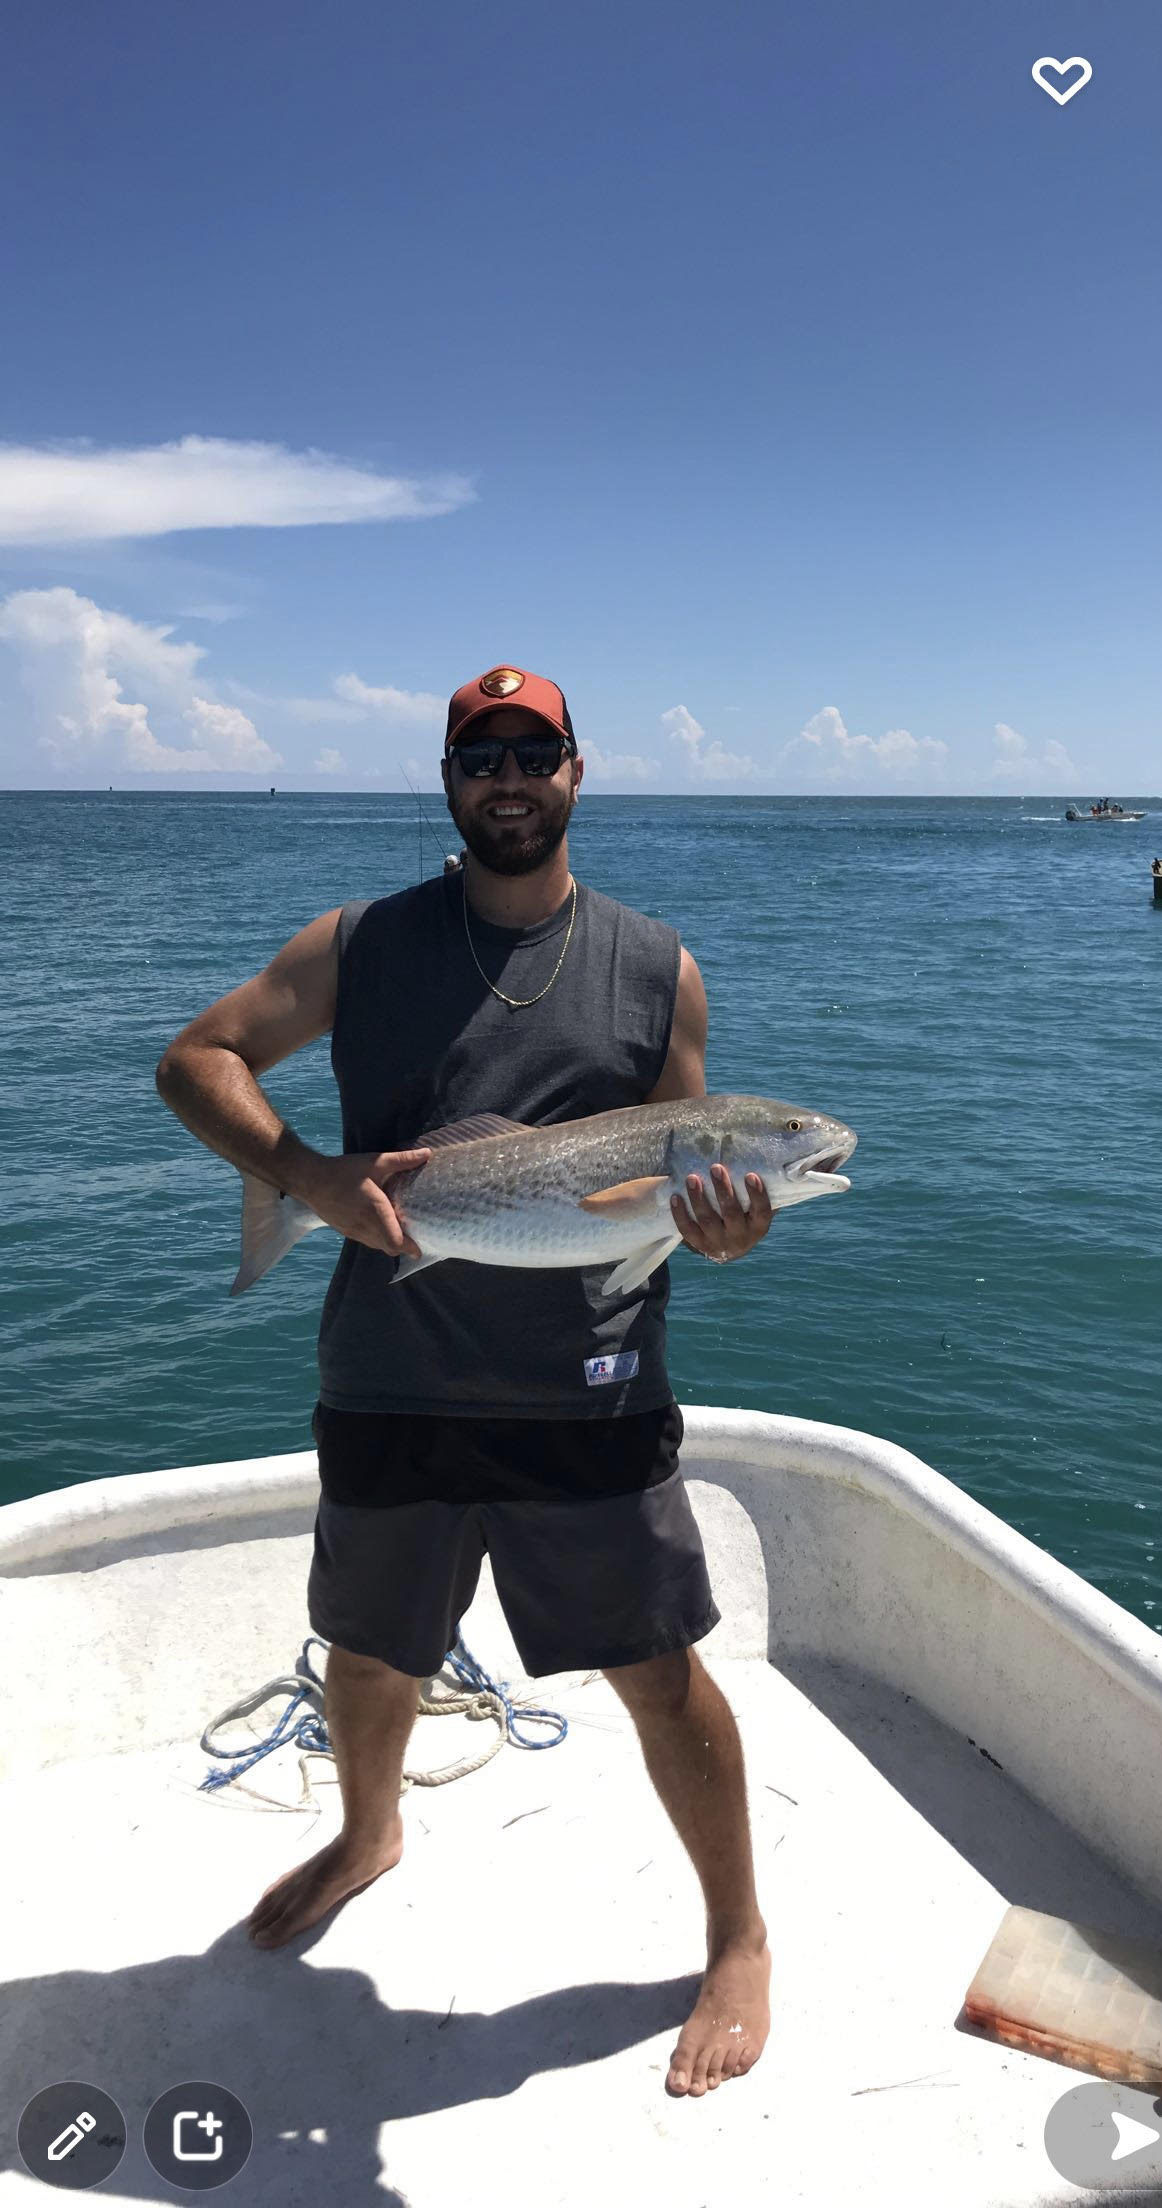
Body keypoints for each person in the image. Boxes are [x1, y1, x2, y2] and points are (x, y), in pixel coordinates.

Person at [155, 662, 772, 2099]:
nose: (507, 777)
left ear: (575, 771)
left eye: (532, 752)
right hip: (391, 1373)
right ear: (446, 779)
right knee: (371, 1654)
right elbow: (199, 1060)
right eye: (478, 754)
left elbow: (673, 1185)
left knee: (655, 1669)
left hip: (591, 1389)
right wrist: (304, 1172)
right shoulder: (360, 944)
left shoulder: (656, 967)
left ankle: (736, 1932)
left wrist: (726, 1236)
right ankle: (370, 1835)